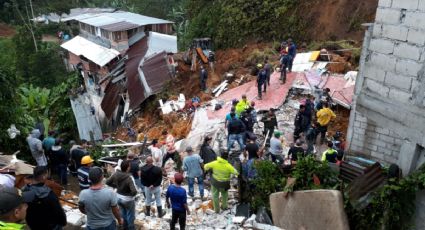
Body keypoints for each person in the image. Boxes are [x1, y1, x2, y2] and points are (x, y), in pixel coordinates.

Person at [106, 160, 138, 230]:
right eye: (129, 166)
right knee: (130, 216)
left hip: (118, 197)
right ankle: (131, 228)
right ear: (128, 168)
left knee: (123, 214)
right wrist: (131, 195)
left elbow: (107, 182)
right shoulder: (129, 177)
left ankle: (124, 227)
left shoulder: (116, 174)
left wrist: (116, 186)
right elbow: (134, 191)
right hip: (128, 199)